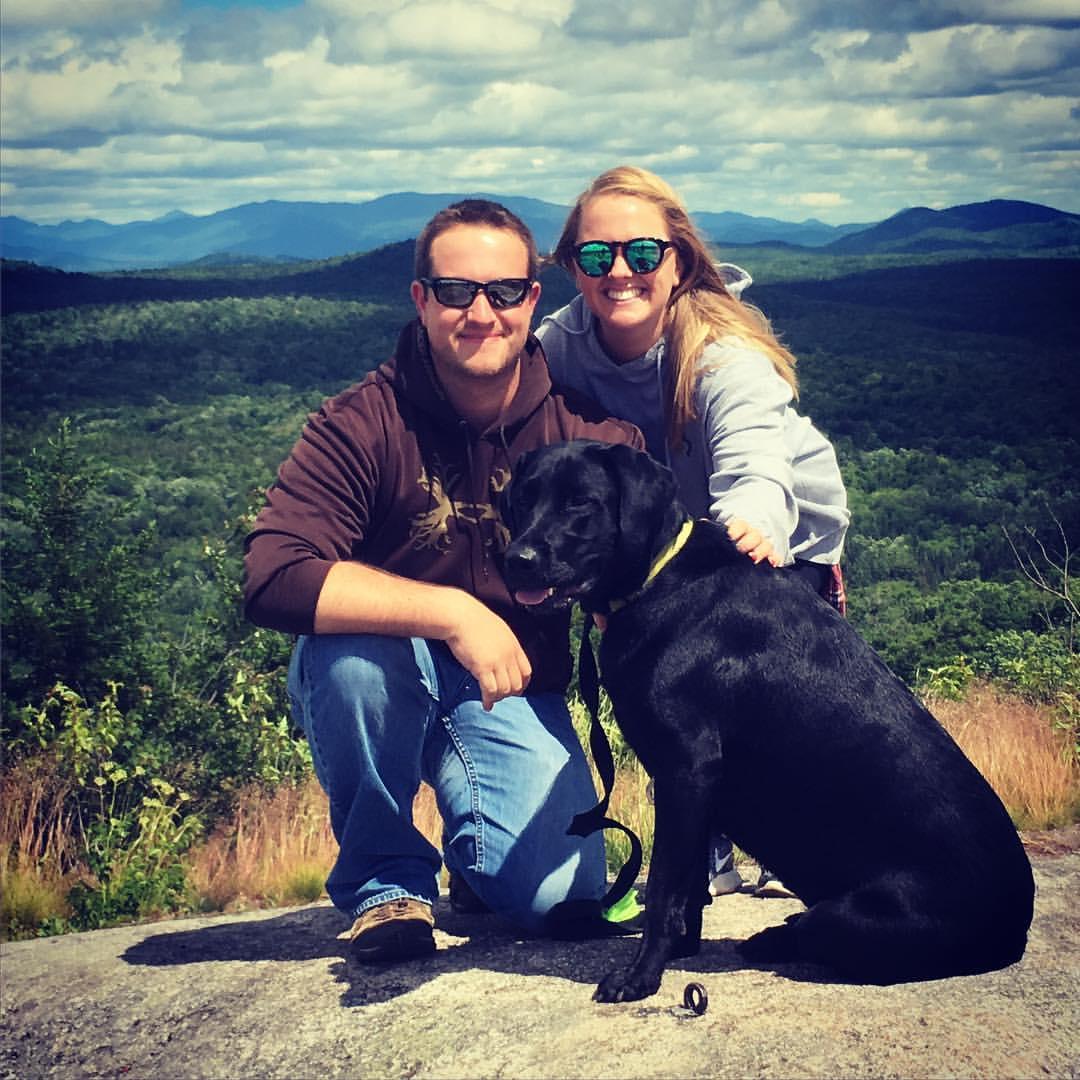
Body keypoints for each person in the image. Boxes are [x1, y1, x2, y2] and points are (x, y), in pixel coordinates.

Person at [243, 199, 643, 962]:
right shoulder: (361, 424)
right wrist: (452, 612)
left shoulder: (587, 437)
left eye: (503, 291)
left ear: (534, 298)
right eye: (456, 291)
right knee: (352, 656)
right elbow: (274, 576)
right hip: (389, 673)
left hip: (513, 690)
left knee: (562, 897)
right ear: (422, 300)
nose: (480, 312)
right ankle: (386, 884)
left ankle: (475, 851)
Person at [536, 166, 851, 899]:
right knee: (664, 697)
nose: (619, 271)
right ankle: (705, 851)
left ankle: (782, 839)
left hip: (780, 538)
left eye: (642, 254)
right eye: (595, 256)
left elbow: (758, 469)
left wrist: (749, 524)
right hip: (663, 547)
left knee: (773, 702)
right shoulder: (561, 343)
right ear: (572, 266)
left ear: (677, 258)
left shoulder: (719, 350)